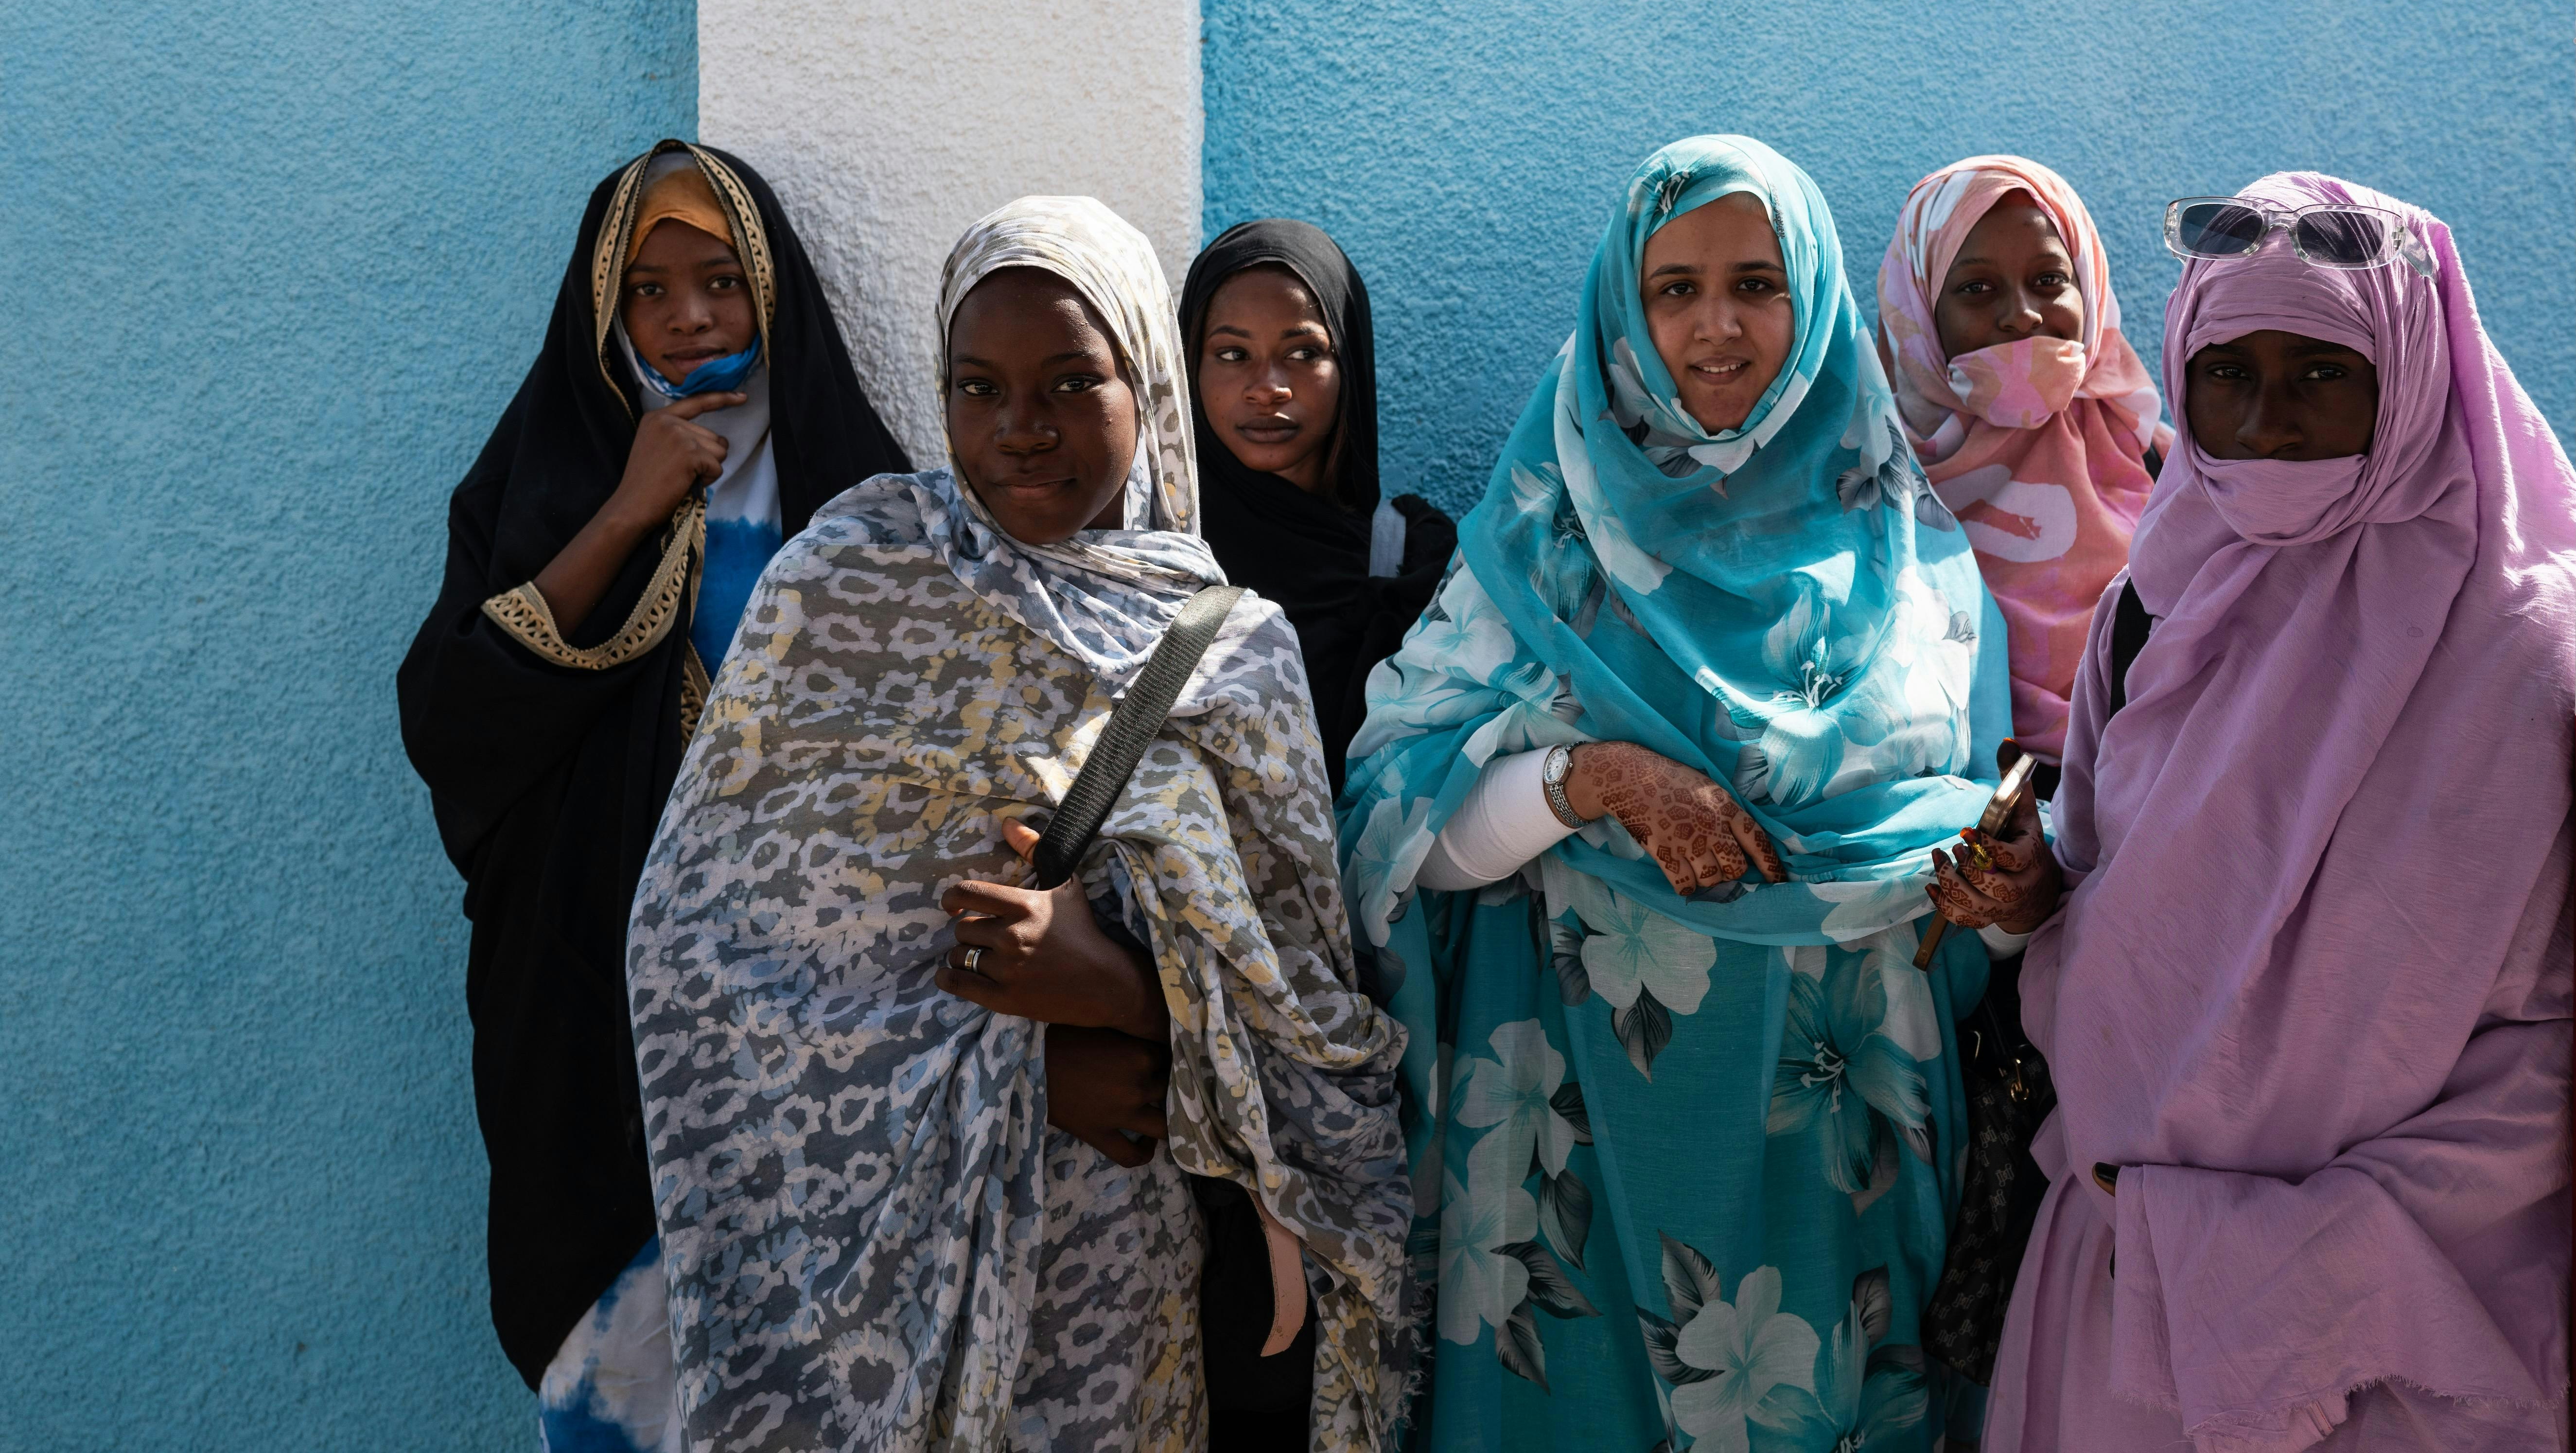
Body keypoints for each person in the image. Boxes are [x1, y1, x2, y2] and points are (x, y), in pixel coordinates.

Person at [1927, 171, 2576, 1453]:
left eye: (2320, 374)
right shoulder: (2157, 601)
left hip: (2391, 1341)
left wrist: (2301, 1256)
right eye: (2228, 375)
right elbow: (2103, 880)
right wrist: (2033, 898)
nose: (2266, 424)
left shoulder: (2540, 654)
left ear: (2410, 376)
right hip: (2124, 1304)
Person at [624, 195, 1413, 1453]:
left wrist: (1126, 1002)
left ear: (1143, 383)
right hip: (855, 1279)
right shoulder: (847, 584)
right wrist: (1017, 1066)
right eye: (975, 386)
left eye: (1068, 381)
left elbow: (1304, 1014)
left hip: (1111, 1271)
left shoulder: (1227, 653)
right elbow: (699, 964)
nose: (1019, 429)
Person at [1338, 134, 2018, 1452]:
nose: (1716, 326)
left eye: (1756, 282)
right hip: (1572, 1153)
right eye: (1674, 288)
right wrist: (1592, 780)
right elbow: (1397, 819)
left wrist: (2016, 895)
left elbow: (1961, 879)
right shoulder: (1547, 535)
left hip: (1840, 1168)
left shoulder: (1911, 551)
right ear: (1623, 309)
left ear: (1811, 298)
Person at [397, 142, 909, 1446]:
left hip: (817, 1047)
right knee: (629, 1395)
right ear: (602, 312)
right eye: (649, 289)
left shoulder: (862, 503)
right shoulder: (543, 482)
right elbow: (450, 722)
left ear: (774, 292)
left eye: (723, 280)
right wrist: (629, 510)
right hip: (591, 1034)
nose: (689, 317)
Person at [1875, 156, 2167, 766]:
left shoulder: (2161, 464)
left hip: (2154, 790)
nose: (2021, 315)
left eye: (2048, 280)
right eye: (1976, 289)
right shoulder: (1869, 478)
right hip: (1955, 816)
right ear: (1922, 309)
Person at [1180, 217, 1459, 780]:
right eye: (1232, 354)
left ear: (1348, 365)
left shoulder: (1416, 563)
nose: (1267, 387)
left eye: (1304, 352)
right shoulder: (1148, 558)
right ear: (1187, 364)